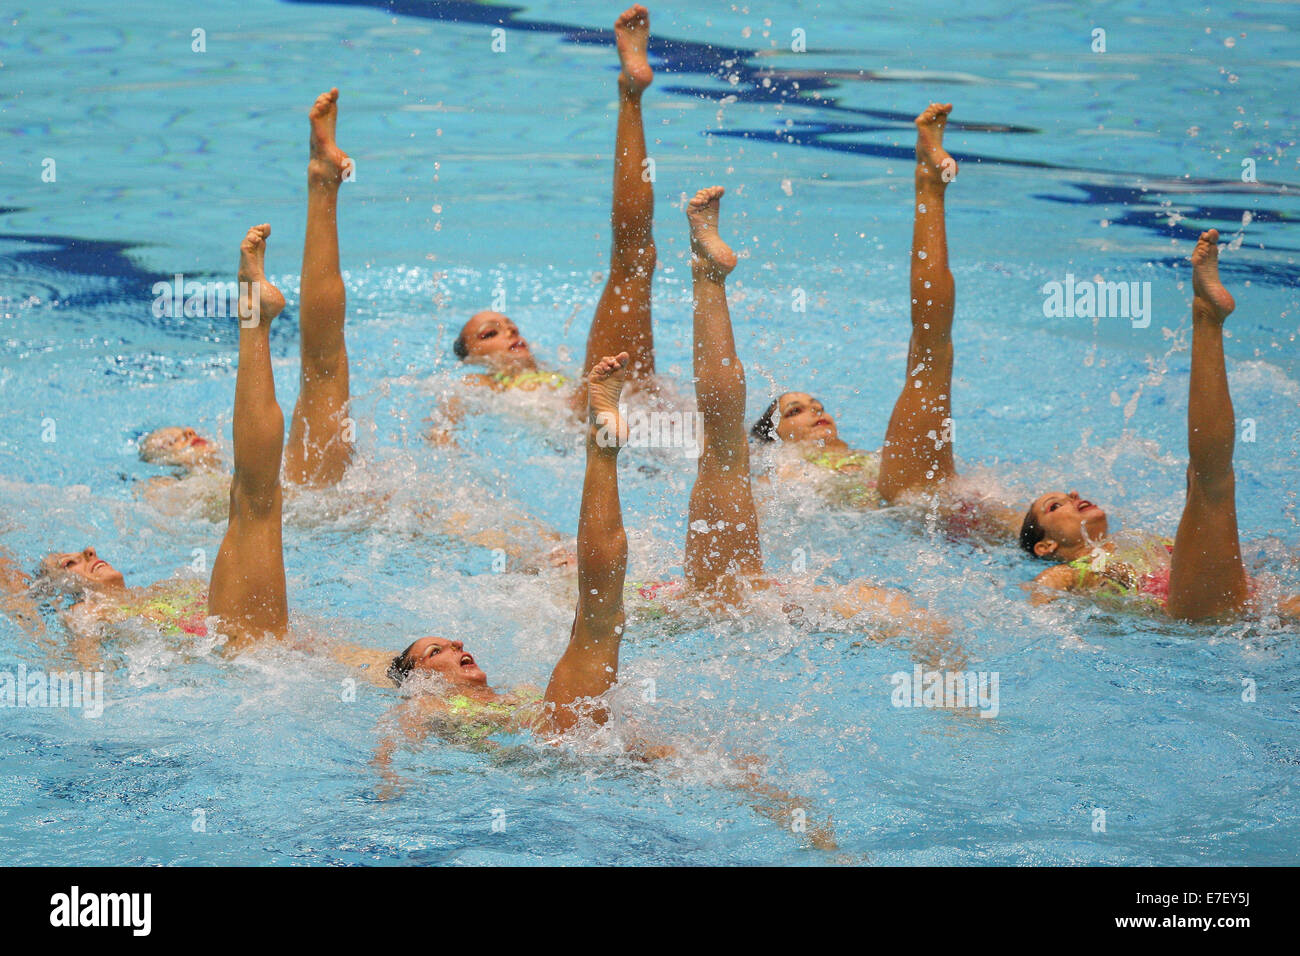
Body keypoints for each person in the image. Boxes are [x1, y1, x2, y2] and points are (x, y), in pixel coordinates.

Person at [751, 104, 1020, 540]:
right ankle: (929, 188)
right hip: (899, 500)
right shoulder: (786, 474)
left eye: (814, 403)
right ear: (775, 439)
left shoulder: (868, 456)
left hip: (930, 500)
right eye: (794, 411)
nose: (816, 410)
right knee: (930, 353)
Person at [1020, 230, 1300, 621]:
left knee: (1201, 483)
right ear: (1046, 546)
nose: (1072, 496)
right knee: (1209, 479)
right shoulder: (1070, 571)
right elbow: (1040, 600)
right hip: (1190, 610)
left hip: (1246, 598)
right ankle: (1206, 317)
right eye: (1055, 506)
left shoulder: (1145, 543)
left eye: (1065, 494)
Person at [436, 5, 659, 426]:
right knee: (631, 263)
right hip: (582, 418)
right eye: (490, 334)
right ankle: (629, 98)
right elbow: (442, 426)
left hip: (614, 412)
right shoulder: (481, 386)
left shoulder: (550, 377)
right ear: (471, 361)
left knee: (641, 261)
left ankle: (633, 94)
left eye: (508, 326)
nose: (511, 334)